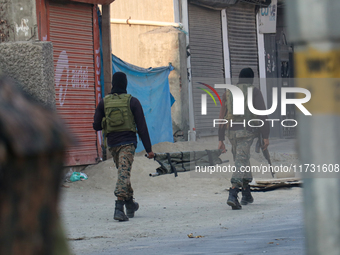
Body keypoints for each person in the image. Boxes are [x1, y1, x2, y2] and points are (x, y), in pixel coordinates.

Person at [93, 72, 154, 221]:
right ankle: (119, 207)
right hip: (128, 143)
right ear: (125, 84)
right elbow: (142, 127)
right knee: (124, 174)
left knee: (123, 173)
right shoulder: (133, 102)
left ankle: (130, 204)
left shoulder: (104, 102)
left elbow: (96, 126)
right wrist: (149, 150)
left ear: (113, 84)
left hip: (112, 144)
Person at [218, 67, 270, 210]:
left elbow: (222, 116)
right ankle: (233, 193)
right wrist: (266, 136)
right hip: (246, 132)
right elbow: (262, 115)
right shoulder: (254, 91)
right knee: (241, 161)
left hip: (230, 133)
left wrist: (220, 139)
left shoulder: (228, 93)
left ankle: (246, 193)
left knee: (242, 158)